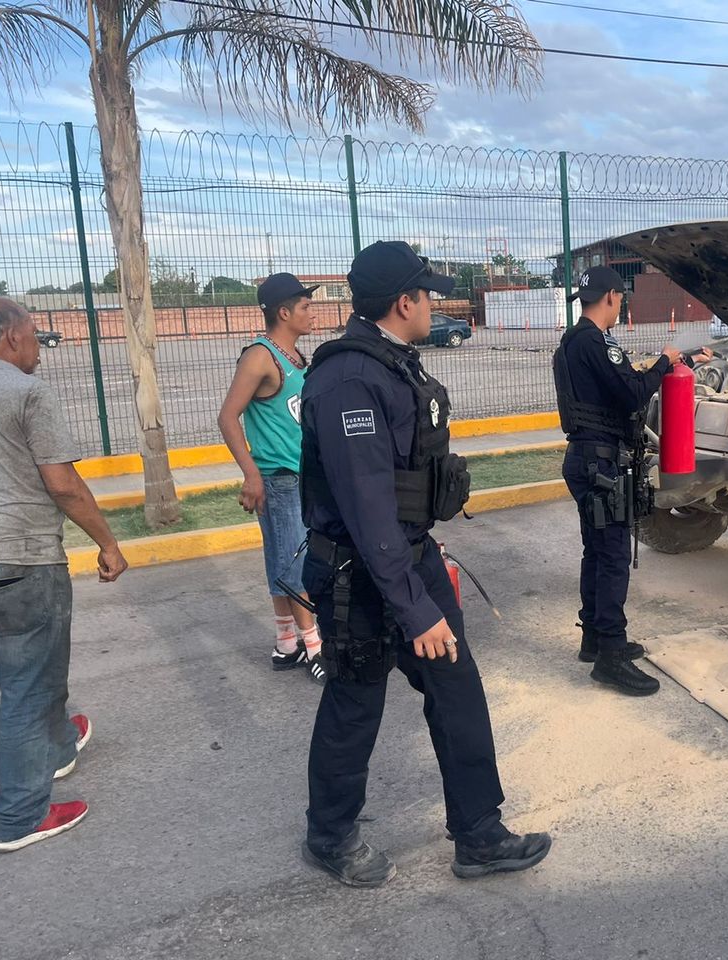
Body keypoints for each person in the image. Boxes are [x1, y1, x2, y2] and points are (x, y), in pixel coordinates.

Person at [298, 241, 551, 887]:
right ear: (404, 302)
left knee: (456, 690)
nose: (435, 307)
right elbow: (366, 508)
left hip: (406, 560)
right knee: (356, 704)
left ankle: (479, 834)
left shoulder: (392, 365)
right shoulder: (349, 379)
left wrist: (420, 557)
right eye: (428, 296)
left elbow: (398, 493)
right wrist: (415, 608)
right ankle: (330, 836)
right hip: (361, 576)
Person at [0, 296, 128, 853]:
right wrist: (107, 543)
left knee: (22, 669)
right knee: (28, 687)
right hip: (21, 558)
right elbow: (62, 484)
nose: (40, 345)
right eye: (35, 333)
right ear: (12, 336)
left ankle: (58, 744)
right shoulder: (26, 391)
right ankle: (18, 816)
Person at [552, 266, 710, 696]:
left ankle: (594, 639)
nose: (620, 306)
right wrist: (665, 361)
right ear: (611, 297)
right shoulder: (595, 341)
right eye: (621, 299)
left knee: (597, 552)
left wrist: (678, 362)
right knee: (613, 557)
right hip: (600, 464)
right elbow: (633, 393)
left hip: (587, 459)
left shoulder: (573, 342)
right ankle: (611, 655)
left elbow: (619, 384)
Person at [218, 272, 323, 682]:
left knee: (282, 559)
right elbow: (228, 417)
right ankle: (315, 647)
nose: (312, 313)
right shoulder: (260, 357)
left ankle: (286, 643)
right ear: (283, 312)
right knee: (295, 563)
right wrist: (251, 475)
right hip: (277, 478)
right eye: (305, 306)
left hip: (297, 476)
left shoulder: (292, 355)